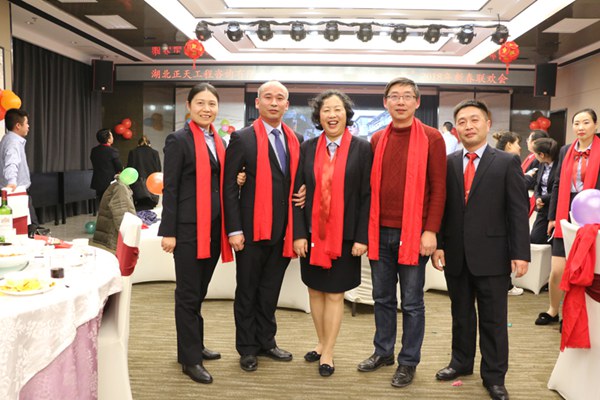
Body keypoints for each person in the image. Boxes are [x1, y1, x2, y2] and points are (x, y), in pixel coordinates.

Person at [432, 99, 530, 400]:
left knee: (493, 319)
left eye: (474, 120)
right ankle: (461, 362)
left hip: (493, 254)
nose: (468, 126)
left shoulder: (506, 162)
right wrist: (439, 244)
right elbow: (441, 208)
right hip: (456, 254)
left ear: (488, 124)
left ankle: (494, 376)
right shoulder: (448, 163)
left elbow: (517, 210)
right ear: (456, 129)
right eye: (461, 122)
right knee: (460, 314)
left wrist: (520, 253)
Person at [358, 77, 446, 388]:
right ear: (385, 103)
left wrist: (431, 231)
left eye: (407, 96)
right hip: (379, 231)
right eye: (394, 96)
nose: (400, 102)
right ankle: (383, 352)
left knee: (411, 302)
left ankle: (408, 361)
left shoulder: (432, 138)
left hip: (414, 233)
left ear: (417, 103)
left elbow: (439, 189)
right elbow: (367, 187)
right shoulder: (376, 138)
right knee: (381, 298)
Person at [224, 80, 303, 372]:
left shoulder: (296, 139)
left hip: (282, 231)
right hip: (250, 230)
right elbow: (229, 187)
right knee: (247, 291)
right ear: (257, 103)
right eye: (267, 97)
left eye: (279, 98)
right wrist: (234, 229)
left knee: (270, 292)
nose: (274, 102)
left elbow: (297, 180)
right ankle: (247, 348)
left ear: (287, 105)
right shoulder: (242, 138)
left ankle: (266, 342)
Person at [292, 90, 372, 377]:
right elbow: (297, 192)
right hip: (312, 233)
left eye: (338, 109)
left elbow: (366, 196)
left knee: (335, 294)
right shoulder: (308, 147)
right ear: (319, 116)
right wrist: (298, 234)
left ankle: (328, 351)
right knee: (314, 290)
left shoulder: (362, 149)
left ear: (346, 114)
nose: (332, 115)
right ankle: (320, 341)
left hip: (345, 236)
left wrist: (362, 237)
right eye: (326, 110)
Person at [158, 83, 233, 384]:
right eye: (200, 103)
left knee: (199, 293)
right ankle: (190, 360)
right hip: (188, 229)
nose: (206, 109)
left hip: (213, 229)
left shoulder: (219, 141)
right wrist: (169, 231)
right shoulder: (178, 140)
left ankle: (195, 345)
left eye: (212, 103)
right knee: (188, 295)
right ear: (188, 106)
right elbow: (171, 187)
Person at [536, 108, 600, 327]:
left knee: (585, 270)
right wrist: (553, 216)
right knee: (557, 270)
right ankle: (553, 310)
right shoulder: (565, 150)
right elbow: (557, 183)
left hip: (593, 210)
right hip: (566, 209)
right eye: (577, 123)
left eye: (586, 122)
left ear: (596, 125)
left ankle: (575, 316)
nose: (580, 127)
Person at [492, 130, 530, 296]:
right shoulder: (510, 161)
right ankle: (506, 285)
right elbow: (519, 201)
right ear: (508, 145)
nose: (520, 147)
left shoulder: (493, 160)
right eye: (517, 143)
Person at [0, 108, 42, 234]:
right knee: (30, 229)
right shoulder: (13, 142)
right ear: (18, 125)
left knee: (27, 228)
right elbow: (11, 163)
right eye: (26, 123)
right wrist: (12, 182)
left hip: (15, 192)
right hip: (16, 193)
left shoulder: (8, 139)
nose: (28, 126)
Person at [529, 138, 559, 244]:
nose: (534, 156)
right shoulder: (541, 164)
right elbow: (537, 184)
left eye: (535, 153)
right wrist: (537, 197)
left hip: (554, 207)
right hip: (542, 207)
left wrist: (543, 198)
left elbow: (558, 189)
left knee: (553, 240)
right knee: (535, 238)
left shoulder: (559, 166)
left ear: (541, 154)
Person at [127, 135, 162, 211]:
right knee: (150, 209)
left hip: (137, 186)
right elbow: (158, 169)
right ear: (149, 144)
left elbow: (129, 169)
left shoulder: (133, 152)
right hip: (151, 186)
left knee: (139, 209)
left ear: (138, 144)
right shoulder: (155, 153)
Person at [90, 128, 123, 202]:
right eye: (111, 135)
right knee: (111, 203)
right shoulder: (113, 151)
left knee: (101, 202)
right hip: (110, 182)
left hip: (98, 181)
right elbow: (119, 167)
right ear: (108, 139)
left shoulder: (94, 150)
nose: (113, 137)